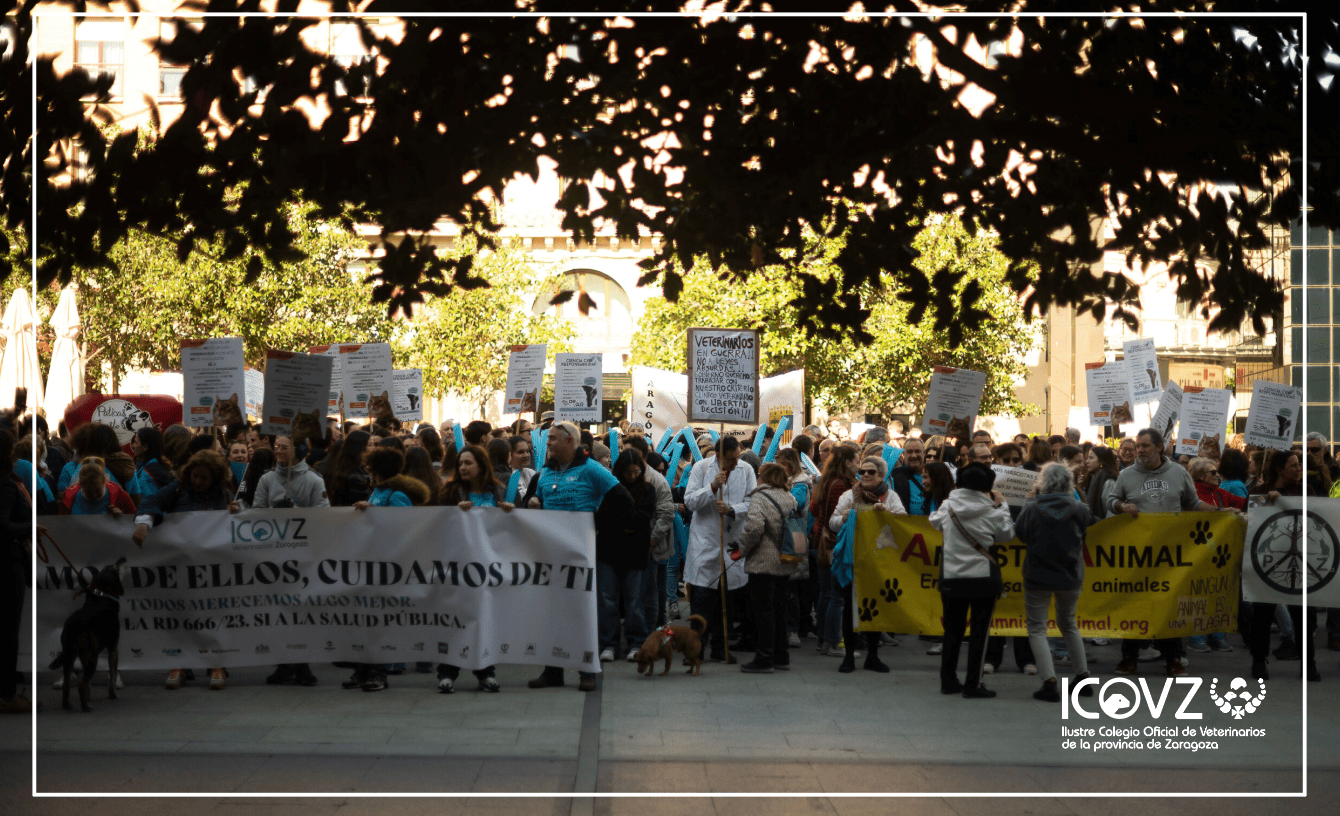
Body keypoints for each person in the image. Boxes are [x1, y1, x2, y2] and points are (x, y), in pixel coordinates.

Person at [523, 421, 635, 692]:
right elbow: (528, 502)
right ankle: (552, 671)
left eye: (552, 439)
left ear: (570, 442)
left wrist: (594, 524)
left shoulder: (592, 470)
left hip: (581, 555)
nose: (546, 443)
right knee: (552, 614)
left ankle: (587, 671)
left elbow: (624, 501)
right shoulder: (545, 473)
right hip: (551, 555)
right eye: (547, 438)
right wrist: (532, 503)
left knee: (582, 613)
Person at [1107, 428, 1227, 677]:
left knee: (1170, 605)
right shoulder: (1127, 475)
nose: (1140, 450)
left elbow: (1192, 503)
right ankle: (1129, 658)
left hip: (1171, 554)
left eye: (1145, 446)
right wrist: (1122, 505)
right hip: (1137, 553)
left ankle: (1173, 658)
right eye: (1138, 446)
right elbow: (1111, 500)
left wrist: (1220, 514)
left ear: (1160, 447)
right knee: (1136, 604)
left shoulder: (1178, 472)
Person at [133, 451, 240, 691]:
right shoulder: (177, 489)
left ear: (215, 478)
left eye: (203, 478)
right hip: (182, 568)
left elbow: (237, 521)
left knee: (214, 616)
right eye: (194, 476)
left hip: (213, 569)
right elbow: (150, 502)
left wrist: (236, 511)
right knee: (183, 615)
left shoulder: (224, 494)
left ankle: (216, 664)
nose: (197, 482)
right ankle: (180, 664)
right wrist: (143, 523)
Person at [349, 447, 432, 691]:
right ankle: (364, 669)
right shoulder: (378, 491)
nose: (368, 472)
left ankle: (379, 672)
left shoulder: (396, 495)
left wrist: (376, 514)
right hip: (375, 562)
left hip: (392, 566)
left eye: (372, 468)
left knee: (383, 620)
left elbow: (406, 527)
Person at [1016, 463, 1098, 702]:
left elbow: (1021, 534)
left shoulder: (1032, 508)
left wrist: (1030, 500)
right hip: (1071, 575)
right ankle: (1082, 678)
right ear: (1068, 483)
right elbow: (1094, 523)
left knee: (1037, 628)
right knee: (1069, 623)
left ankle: (1049, 682)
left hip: (1037, 575)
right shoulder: (1079, 508)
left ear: (1043, 482)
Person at [930, 463, 1014, 698]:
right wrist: (1003, 506)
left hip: (952, 578)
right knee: (979, 633)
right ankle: (973, 684)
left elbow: (934, 521)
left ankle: (948, 681)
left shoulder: (948, 507)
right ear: (987, 487)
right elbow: (1007, 534)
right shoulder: (991, 511)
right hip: (983, 580)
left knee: (951, 632)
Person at [253, 436, 330, 687]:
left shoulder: (313, 480)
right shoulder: (267, 479)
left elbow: (323, 514)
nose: (278, 451)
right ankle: (284, 662)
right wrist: (274, 513)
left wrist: (296, 512)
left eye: (284, 447)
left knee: (302, 610)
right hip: (274, 555)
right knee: (278, 610)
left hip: (304, 556)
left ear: (298, 450)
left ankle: (303, 662)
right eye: (276, 447)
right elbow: (256, 512)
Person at [436, 444, 514, 692]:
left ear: (481, 465)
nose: (462, 467)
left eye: (468, 463)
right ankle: (447, 672)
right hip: (459, 566)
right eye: (460, 463)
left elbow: (512, 530)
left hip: (490, 568)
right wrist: (454, 513)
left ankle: (485, 672)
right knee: (456, 618)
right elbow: (436, 523)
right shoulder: (451, 491)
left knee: (484, 619)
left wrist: (510, 512)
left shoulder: (499, 491)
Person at [1246, 450, 1320, 682]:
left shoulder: (1305, 490)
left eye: (1299, 465)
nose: (1299, 469)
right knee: (1263, 615)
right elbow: (1250, 518)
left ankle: (1309, 664)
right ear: (1279, 469)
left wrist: (1285, 502)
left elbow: (1315, 517)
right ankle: (1259, 661)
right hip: (1268, 562)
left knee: (1303, 616)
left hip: (1300, 562)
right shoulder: (1259, 491)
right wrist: (1267, 501)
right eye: (1294, 465)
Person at [683, 435, 756, 664]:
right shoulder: (701, 468)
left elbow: (752, 502)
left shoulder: (746, 470)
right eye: (730, 459)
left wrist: (732, 509)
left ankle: (720, 646)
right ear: (718, 456)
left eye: (737, 458)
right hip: (705, 542)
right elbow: (690, 501)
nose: (735, 463)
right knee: (702, 599)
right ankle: (696, 648)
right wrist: (712, 487)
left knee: (726, 602)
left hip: (731, 541)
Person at [828, 456, 905, 673]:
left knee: (874, 608)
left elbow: (902, 521)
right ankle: (849, 657)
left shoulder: (890, 497)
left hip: (878, 561)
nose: (866, 475)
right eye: (862, 472)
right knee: (849, 609)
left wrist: (886, 515)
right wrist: (845, 517)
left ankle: (872, 656)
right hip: (852, 559)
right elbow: (832, 523)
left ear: (881, 475)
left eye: (871, 472)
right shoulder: (848, 495)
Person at [736, 463, 800, 673]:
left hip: (763, 561)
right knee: (780, 610)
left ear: (763, 477)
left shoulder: (760, 497)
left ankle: (764, 658)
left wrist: (741, 550)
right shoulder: (789, 497)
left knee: (763, 612)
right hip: (785, 559)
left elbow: (754, 527)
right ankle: (782, 656)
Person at [603, 449, 656, 662]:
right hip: (610, 551)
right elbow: (604, 517)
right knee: (608, 600)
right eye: (628, 472)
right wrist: (627, 522)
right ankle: (609, 643)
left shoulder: (647, 489)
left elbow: (642, 519)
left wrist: (622, 521)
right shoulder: (610, 488)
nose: (632, 476)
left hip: (635, 552)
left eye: (636, 472)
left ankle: (636, 642)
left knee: (635, 601)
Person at [810, 445, 857, 657]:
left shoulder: (827, 480)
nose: (859, 466)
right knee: (835, 596)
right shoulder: (840, 485)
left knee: (826, 593)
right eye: (857, 461)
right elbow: (832, 518)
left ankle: (823, 639)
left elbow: (814, 509)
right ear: (847, 463)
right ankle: (831, 641)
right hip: (833, 545)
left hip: (822, 541)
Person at [0, 430, 33, 713]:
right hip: (6, 562)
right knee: (9, 630)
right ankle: (7, 695)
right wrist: (29, 528)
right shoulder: (7, 485)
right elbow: (4, 526)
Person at [61, 458, 136, 516]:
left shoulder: (118, 494)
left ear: (104, 481)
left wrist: (122, 517)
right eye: (89, 492)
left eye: (98, 491)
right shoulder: (69, 497)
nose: (94, 495)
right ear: (80, 484)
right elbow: (62, 524)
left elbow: (134, 518)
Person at [1080, 445, 1120, 520]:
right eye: (1088, 457)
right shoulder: (1092, 478)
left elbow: (1111, 511)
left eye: (1091, 458)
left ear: (1101, 461)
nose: (1087, 461)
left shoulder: (1109, 482)